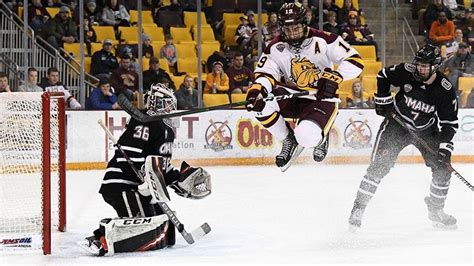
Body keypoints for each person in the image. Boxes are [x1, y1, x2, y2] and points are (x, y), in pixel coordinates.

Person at [78, 83, 211, 256]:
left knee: (163, 225)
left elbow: (162, 164)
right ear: (158, 104)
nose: (172, 109)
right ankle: (99, 239)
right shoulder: (145, 120)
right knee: (144, 225)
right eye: (168, 104)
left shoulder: (167, 129)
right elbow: (128, 154)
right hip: (121, 185)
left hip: (140, 188)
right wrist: (142, 177)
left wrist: (177, 180)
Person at [348, 44, 459, 230]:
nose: (420, 68)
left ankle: (436, 210)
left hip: (426, 130)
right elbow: (383, 75)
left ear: (435, 66)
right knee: (377, 168)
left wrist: (444, 149)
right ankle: (357, 210)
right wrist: (383, 100)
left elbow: (449, 124)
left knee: (443, 169)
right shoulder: (407, 71)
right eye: (419, 64)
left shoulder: (445, 89)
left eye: (426, 66)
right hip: (396, 126)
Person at [245, 2, 363, 171]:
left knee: (306, 137)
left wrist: (334, 78)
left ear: (304, 23)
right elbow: (265, 74)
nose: (292, 33)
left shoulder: (325, 39)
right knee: (260, 105)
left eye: (296, 28)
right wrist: (258, 90)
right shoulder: (275, 47)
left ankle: (321, 137)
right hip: (292, 95)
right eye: (287, 29)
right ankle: (288, 140)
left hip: (321, 97)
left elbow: (355, 61)